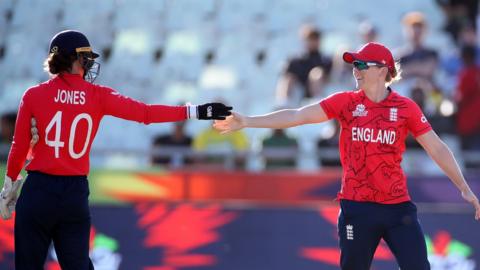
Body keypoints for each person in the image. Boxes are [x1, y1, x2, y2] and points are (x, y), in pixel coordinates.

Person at [214, 42, 480, 269]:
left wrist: (464, 188)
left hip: (398, 209)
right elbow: (298, 115)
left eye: (363, 65)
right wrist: (248, 121)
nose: (356, 70)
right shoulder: (346, 102)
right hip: (358, 208)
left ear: (383, 70)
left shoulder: (405, 108)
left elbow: (436, 147)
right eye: (355, 65)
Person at [0, 30, 232, 270]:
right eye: (86, 57)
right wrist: (195, 111)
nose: (89, 63)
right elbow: (146, 114)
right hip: (73, 192)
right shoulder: (97, 96)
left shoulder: (34, 95)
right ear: (74, 58)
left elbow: (19, 146)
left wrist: (9, 184)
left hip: (38, 189)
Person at [275, 24, 332, 106]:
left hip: (318, 91)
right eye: (310, 39)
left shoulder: (324, 60)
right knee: (287, 78)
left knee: (316, 73)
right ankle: (282, 103)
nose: (313, 42)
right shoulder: (296, 60)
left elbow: (331, 76)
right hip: (299, 92)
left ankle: (317, 102)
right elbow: (286, 74)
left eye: (315, 39)